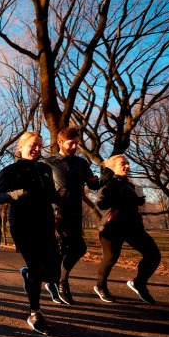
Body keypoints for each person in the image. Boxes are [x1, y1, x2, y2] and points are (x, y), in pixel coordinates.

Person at [0, 132, 62, 335]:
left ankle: (28, 274)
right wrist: (16, 194)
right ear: (21, 147)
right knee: (36, 266)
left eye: (41, 146)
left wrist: (58, 196)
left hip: (46, 222)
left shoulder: (45, 169)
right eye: (33, 145)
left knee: (51, 272)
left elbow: (50, 196)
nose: (38, 149)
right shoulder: (9, 171)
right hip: (22, 223)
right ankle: (35, 313)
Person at [43, 127, 113, 304]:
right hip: (55, 212)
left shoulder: (81, 163)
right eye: (71, 143)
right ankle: (61, 283)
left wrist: (104, 178)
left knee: (73, 249)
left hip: (75, 212)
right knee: (69, 248)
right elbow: (38, 185)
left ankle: (53, 280)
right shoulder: (48, 162)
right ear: (60, 142)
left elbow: (93, 185)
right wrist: (51, 194)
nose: (75, 146)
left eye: (77, 143)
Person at [94, 154, 161, 304]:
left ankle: (139, 283)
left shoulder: (129, 184)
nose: (127, 166)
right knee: (110, 259)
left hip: (133, 227)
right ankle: (100, 286)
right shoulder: (108, 184)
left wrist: (136, 201)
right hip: (112, 228)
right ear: (113, 167)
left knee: (153, 255)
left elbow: (126, 203)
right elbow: (101, 204)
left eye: (128, 163)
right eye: (123, 163)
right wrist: (117, 197)